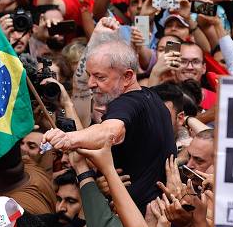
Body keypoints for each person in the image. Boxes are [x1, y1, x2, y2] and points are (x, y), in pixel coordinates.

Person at [43, 23, 176, 207]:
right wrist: (67, 103)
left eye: (100, 77)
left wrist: (66, 138)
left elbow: (109, 132)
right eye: (89, 75)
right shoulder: (151, 97)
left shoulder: (128, 102)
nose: (91, 83)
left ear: (128, 76)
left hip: (140, 220)